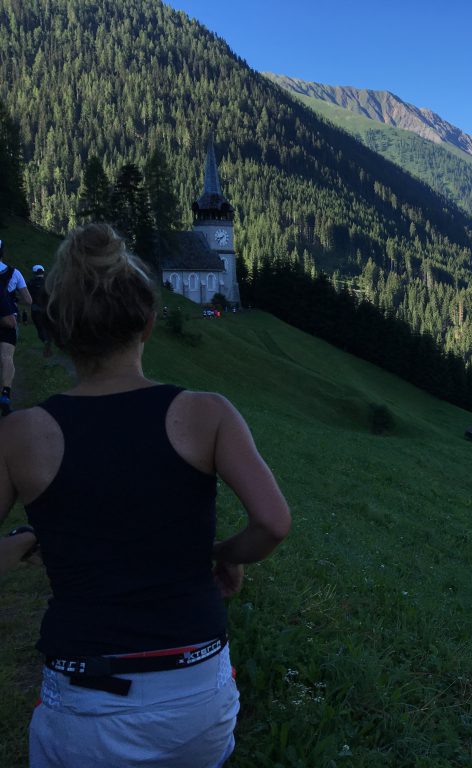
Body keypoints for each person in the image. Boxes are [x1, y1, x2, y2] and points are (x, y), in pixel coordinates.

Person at [0, 223, 291, 767]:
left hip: (86, 702)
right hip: (198, 691)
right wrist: (222, 555)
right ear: (149, 324)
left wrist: (18, 544)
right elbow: (273, 523)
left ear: (59, 328)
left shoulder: (19, 436)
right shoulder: (207, 413)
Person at [0, 239, 34, 415]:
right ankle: (5, 394)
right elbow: (28, 300)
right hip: (8, 319)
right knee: (7, 357)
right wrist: (12, 299)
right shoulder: (14, 273)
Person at [28, 264, 52, 357]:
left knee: (40, 328)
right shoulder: (48, 282)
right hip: (47, 309)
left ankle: (45, 340)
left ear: (34, 273)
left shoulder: (30, 283)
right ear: (43, 272)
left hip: (35, 309)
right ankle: (49, 341)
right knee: (48, 327)